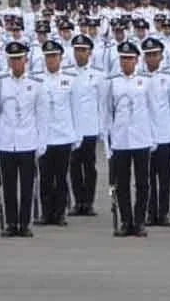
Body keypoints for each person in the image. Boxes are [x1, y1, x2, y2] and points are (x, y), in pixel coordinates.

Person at [0, 41, 47, 238]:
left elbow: (41, 115)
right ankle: (10, 223)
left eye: (19, 59)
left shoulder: (35, 84)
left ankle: (24, 224)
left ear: (26, 60)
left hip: (27, 141)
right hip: (7, 141)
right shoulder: (0, 83)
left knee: (27, 186)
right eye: (13, 59)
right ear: (8, 61)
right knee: (8, 186)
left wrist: (41, 142)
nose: (16, 63)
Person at [104, 41, 156, 237]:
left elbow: (152, 110)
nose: (126, 62)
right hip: (121, 139)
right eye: (123, 59)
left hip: (141, 138)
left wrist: (154, 137)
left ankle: (140, 221)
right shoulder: (113, 82)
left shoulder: (146, 81)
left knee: (142, 183)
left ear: (136, 60)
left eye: (130, 59)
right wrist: (108, 141)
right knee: (122, 183)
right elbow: (107, 113)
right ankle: (126, 221)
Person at [37, 40, 80, 227]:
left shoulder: (70, 79)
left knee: (61, 177)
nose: (51, 60)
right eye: (48, 57)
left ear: (61, 58)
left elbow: (75, 109)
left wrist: (77, 134)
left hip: (63, 135)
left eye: (54, 56)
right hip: (45, 137)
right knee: (45, 177)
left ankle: (60, 213)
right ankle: (46, 213)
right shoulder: (37, 80)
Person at [142, 37, 170, 227]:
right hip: (144, 135)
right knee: (146, 178)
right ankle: (150, 212)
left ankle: (163, 213)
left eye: (155, 55)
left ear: (161, 57)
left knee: (164, 177)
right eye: (148, 55)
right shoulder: (139, 79)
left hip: (165, 134)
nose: (151, 58)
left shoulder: (169, 79)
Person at [67, 33, 105, 217]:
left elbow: (102, 104)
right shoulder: (67, 74)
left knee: (89, 166)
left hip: (90, 126)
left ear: (90, 53)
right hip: (73, 127)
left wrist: (102, 128)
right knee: (74, 166)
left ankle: (88, 202)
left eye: (83, 50)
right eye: (77, 50)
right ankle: (78, 201)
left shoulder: (97, 75)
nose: (79, 54)